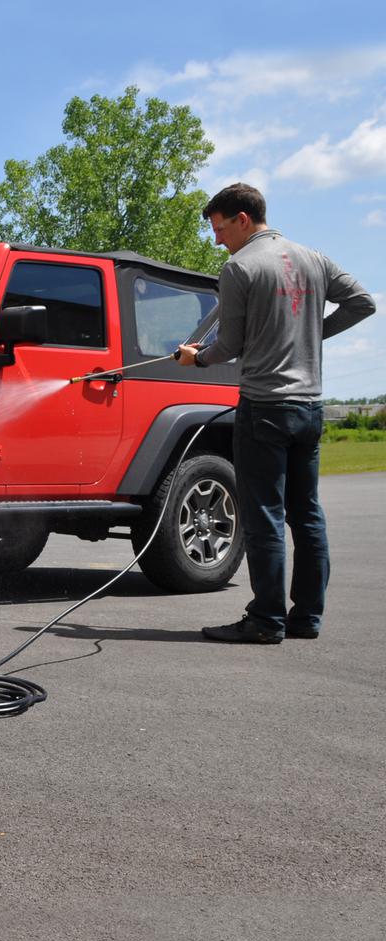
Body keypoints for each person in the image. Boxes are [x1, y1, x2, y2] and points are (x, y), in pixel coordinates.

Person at [177, 183, 375, 644]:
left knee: (264, 515)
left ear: (243, 219)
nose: (218, 239)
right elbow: (364, 302)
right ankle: (306, 618)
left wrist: (195, 358)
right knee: (306, 514)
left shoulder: (240, 268)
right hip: (309, 408)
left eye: (220, 228)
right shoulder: (315, 258)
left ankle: (266, 620)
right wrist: (310, 334)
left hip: (264, 409)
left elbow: (227, 347)